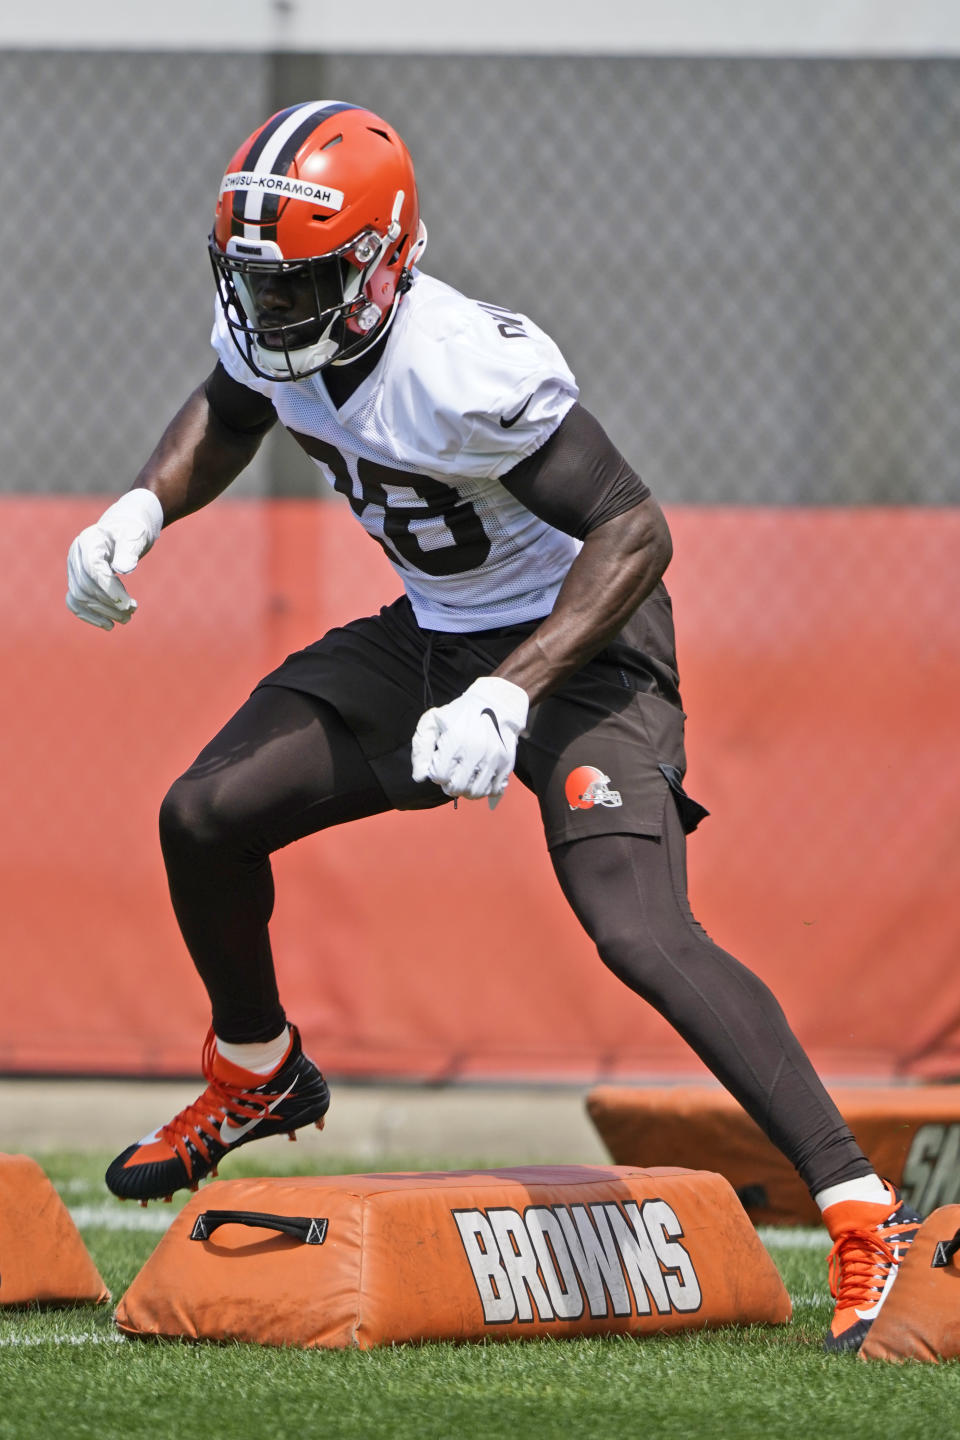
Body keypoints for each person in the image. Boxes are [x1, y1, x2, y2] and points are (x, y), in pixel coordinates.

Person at [66, 100, 916, 1352]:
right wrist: (141, 506)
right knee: (203, 815)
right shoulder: (275, 316)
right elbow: (231, 406)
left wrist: (514, 689)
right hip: (433, 633)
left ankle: (860, 1208)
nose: (273, 313)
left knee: (639, 928)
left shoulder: (467, 367)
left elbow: (634, 530)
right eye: (259, 284)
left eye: (302, 286)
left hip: (586, 650)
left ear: (383, 261)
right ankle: (257, 1067)